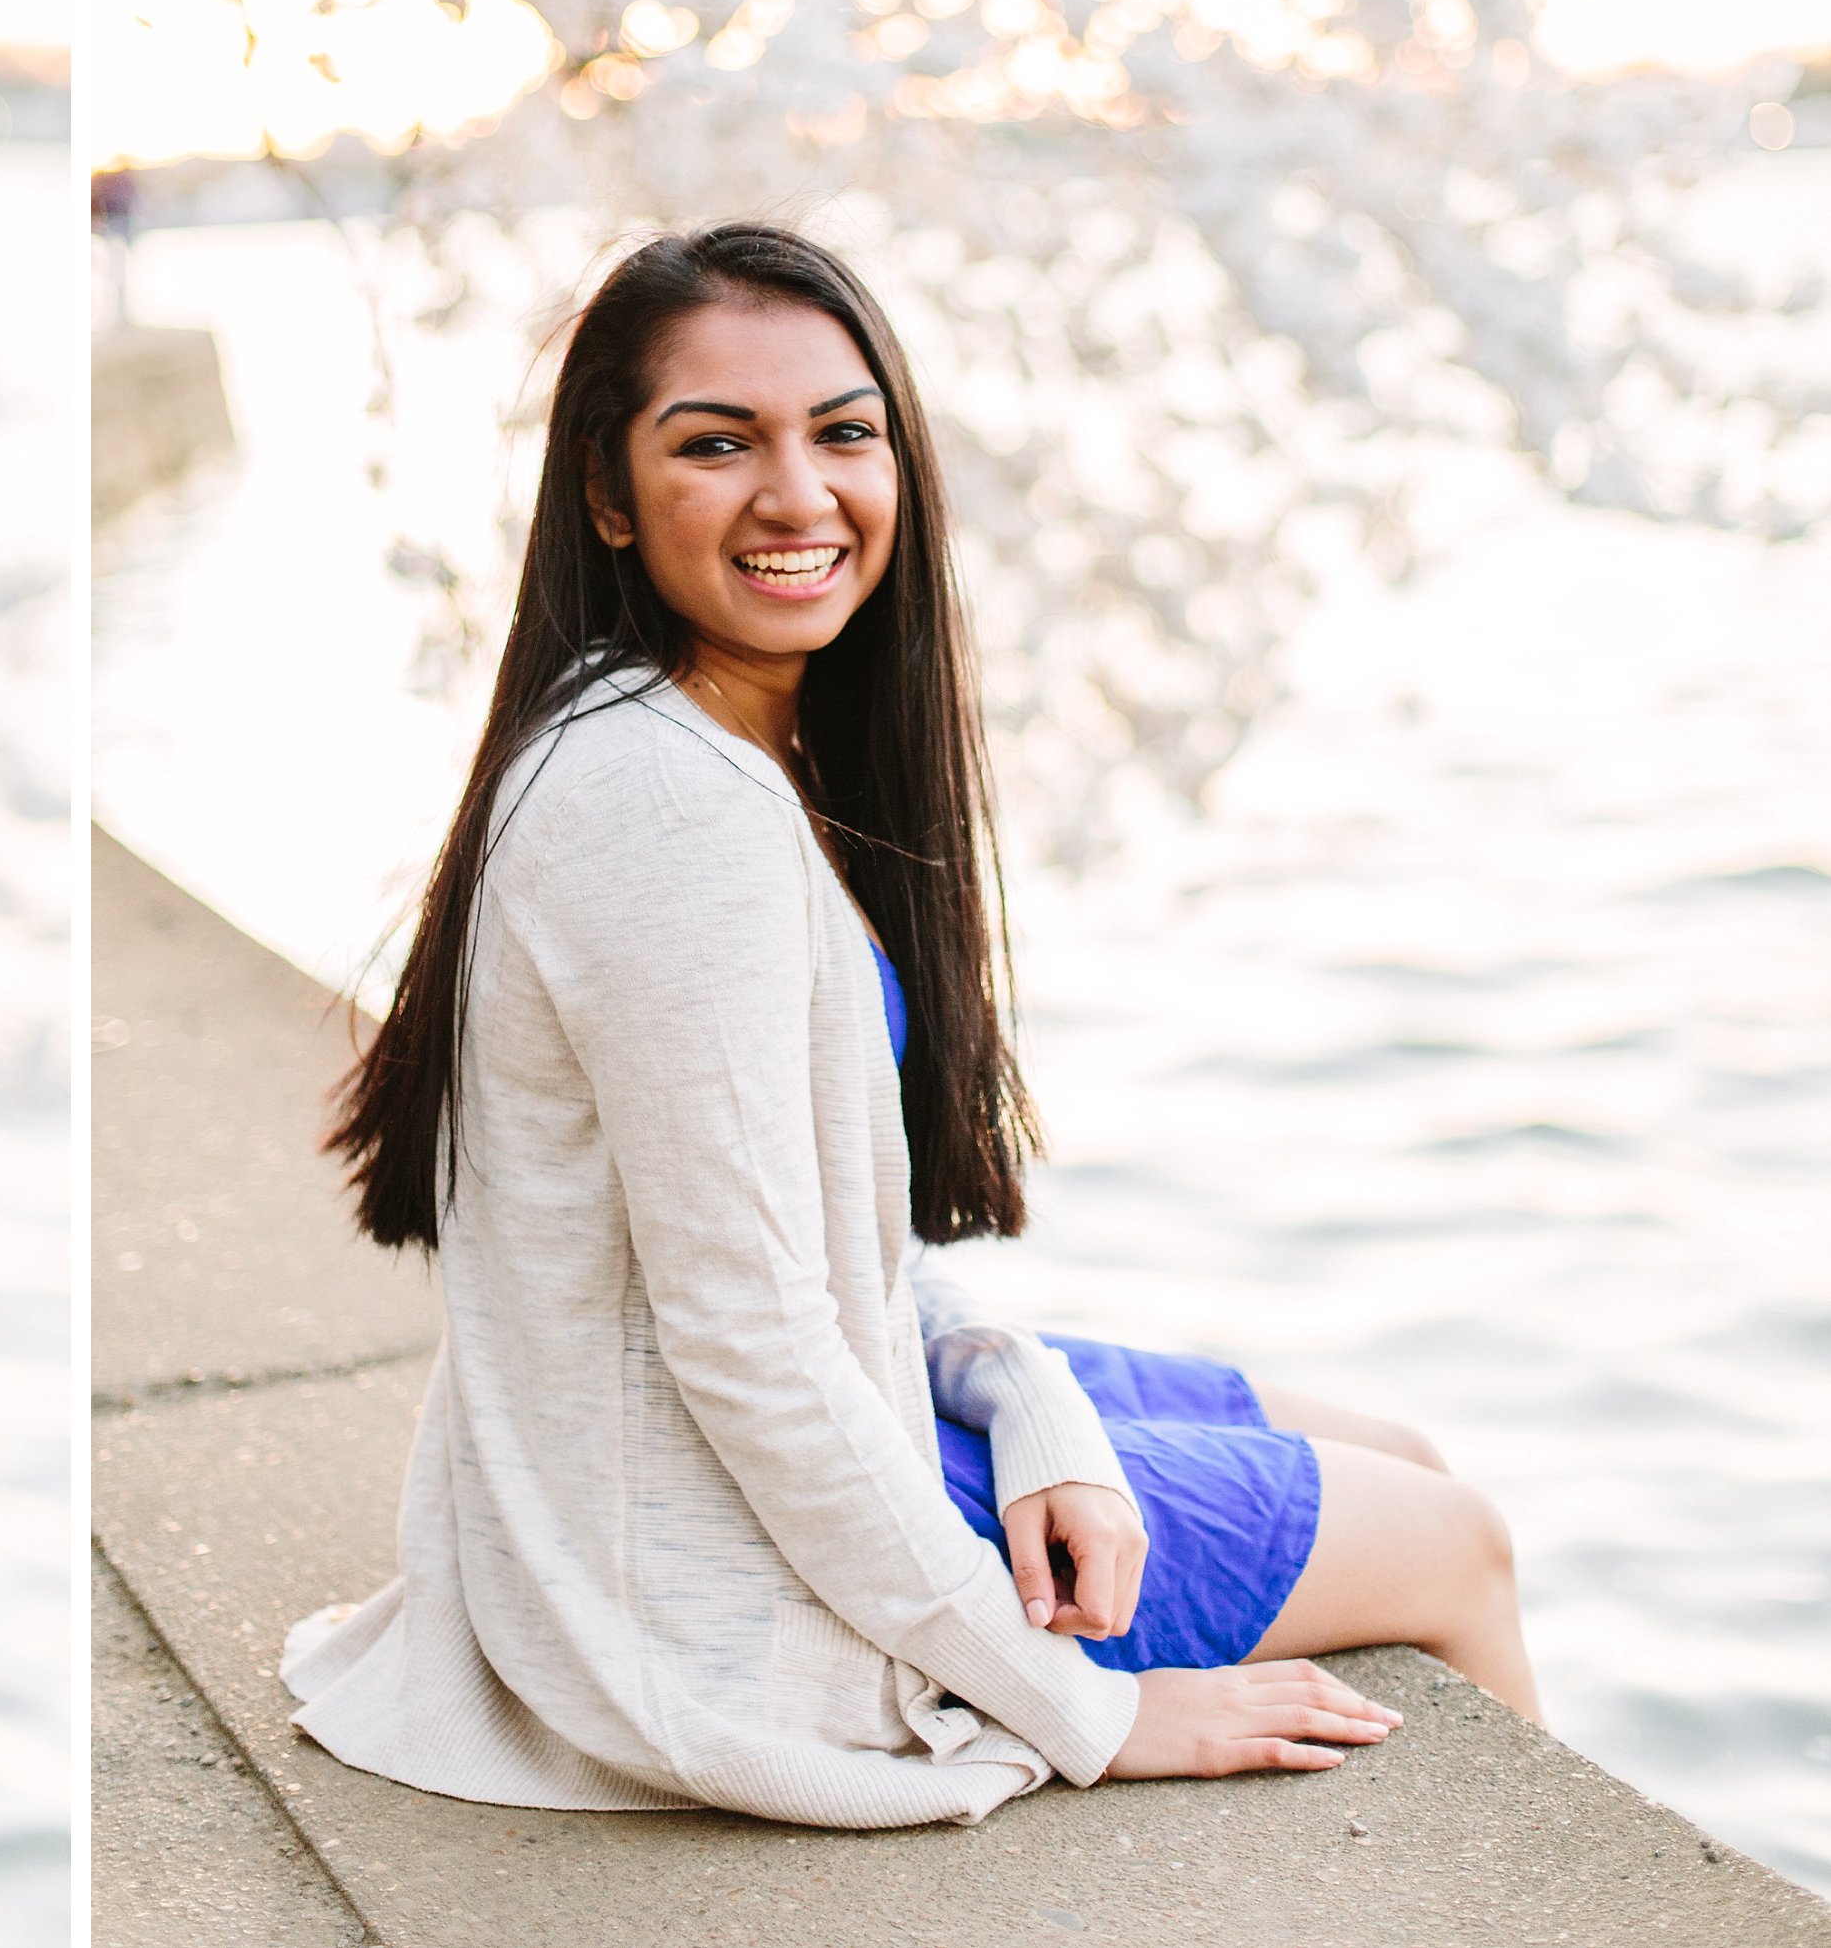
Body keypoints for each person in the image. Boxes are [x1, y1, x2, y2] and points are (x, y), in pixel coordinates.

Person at [284, 223, 1530, 1828]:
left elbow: (817, 1250)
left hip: (817, 1411)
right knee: (1459, 1541)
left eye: (844, 431)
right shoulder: (670, 807)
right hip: (716, 1567)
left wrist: (1030, 1397)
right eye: (717, 442)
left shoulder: (696, 741)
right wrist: (1087, 1707)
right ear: (608, 493)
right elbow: (747, 1341)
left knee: (1400, 1447)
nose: (797, 495)